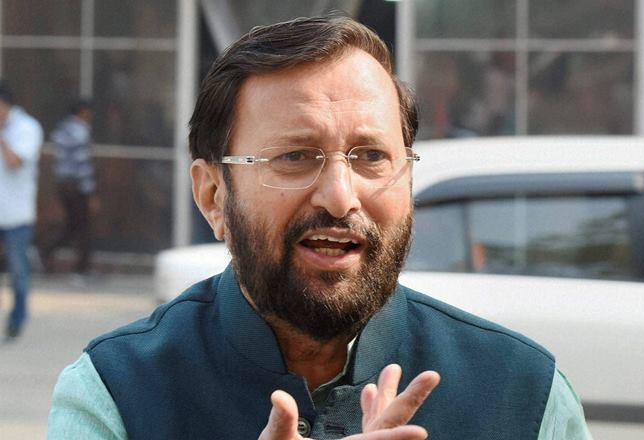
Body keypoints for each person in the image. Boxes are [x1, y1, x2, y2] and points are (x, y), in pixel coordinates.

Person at [47, 16, 592, 439]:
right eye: (296, 156)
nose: (339, 197)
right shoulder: (117, 393)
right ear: (213, 195)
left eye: (371, 156)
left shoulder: (523, 392)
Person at [0, 82, 43, 339]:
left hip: (17, 214)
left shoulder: (27, 128)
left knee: (18, 270)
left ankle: (17, 318)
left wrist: (3, 137)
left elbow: (14, 162)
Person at [41, 100, 96, 275]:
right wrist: (90, 192)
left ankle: (47, 251)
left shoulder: (63, 129)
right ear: (82, 112)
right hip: (77, 186)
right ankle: (82, 268)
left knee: (73, 225)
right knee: (83, 227)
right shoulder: (80, 131)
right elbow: (82, 164)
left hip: (64, 184)